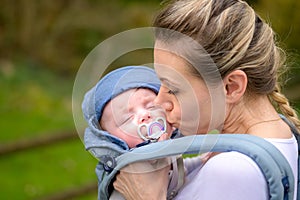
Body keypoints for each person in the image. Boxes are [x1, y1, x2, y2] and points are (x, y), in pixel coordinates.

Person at [113, 0, 300, 200]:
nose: (159, 102)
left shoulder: (233, 171)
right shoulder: (280, 133)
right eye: (161, 85)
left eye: (174, 89)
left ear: (231, 87)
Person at [82, 66, 203, 199]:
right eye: (127, 118)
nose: (145, 115)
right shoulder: (131, 174)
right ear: (110, 140)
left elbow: (180, 169)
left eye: (151, 106)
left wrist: (202, 161)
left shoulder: (167, 152)